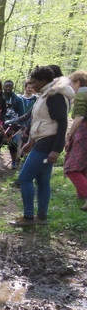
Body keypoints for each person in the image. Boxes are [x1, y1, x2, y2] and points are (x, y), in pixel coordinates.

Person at [10, 65, 74, 227]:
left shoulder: (54, 96)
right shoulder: (45, 95)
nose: (31, 85)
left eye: (34, 82)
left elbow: (62, 123)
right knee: (43, 181)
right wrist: (30, 142)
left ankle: (28, 217)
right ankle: (42, 217)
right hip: (41, 141)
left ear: (45, 80)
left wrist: (56, 150)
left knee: (24, 178)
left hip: (48, 143)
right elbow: (39, 121)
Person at [64, 70, 87, 211]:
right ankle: (81, 197)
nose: (71, 87)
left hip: (84, 132)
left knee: (71, 168)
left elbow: (79, 117)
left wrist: (69, 134)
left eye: (71, 83)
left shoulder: (81, 94)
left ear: (78, 82)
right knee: (83, 167)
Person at [0, 80, 25, 168]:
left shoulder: (17, 99)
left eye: (10, 86)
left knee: (12, 143)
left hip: (12, 125)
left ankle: (13, 162)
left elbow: (21, 113)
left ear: (13, 87)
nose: (8, 88)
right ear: (3, 87)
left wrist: (21, 125)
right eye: (6, 86)